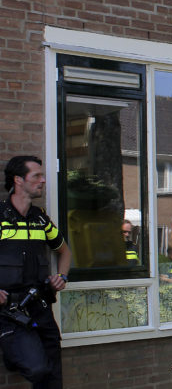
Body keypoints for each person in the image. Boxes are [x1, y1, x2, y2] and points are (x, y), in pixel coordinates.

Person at [0, 156, 72, 389]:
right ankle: (12, 355)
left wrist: (61, 277)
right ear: (18, 180)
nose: (43, 181)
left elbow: (65, 252)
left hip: (41, 307)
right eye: (37, 176)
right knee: (38, 368)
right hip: (11, 311)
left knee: (53, 377)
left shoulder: (40, 219)